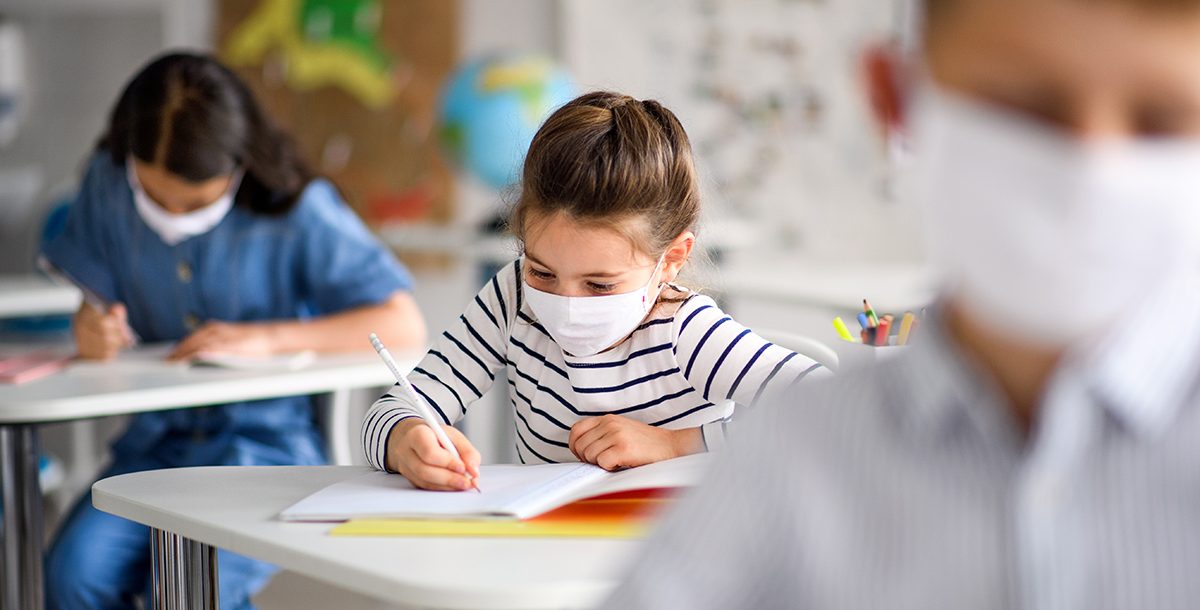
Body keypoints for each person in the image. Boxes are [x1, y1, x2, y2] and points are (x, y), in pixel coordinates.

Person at [600, 0, 1200, 608]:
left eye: (1165, 120)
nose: (1090, 171)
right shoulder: (785, 462)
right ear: (898, 100)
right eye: (1027, 107)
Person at [43, 52, 426, 610]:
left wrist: (269, 338)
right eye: (153, 197)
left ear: (238, 165)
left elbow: (402, 322)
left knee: (192, 592)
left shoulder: (297, 208)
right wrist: (91, 327)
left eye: (195, 203)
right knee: (72, 575)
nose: (172, 215)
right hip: (153, 449)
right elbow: (92, 299)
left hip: (264, 449)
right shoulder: (105, 184)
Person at [361, 91, 823, 490]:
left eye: (600, 285)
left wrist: (676, 443)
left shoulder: (685, 331)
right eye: (542, 272)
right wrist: (406, 439)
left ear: (673, 259)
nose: (565, 305)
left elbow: (832, 409)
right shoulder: (510, 298)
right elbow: (396, 406)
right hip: (550, 559)